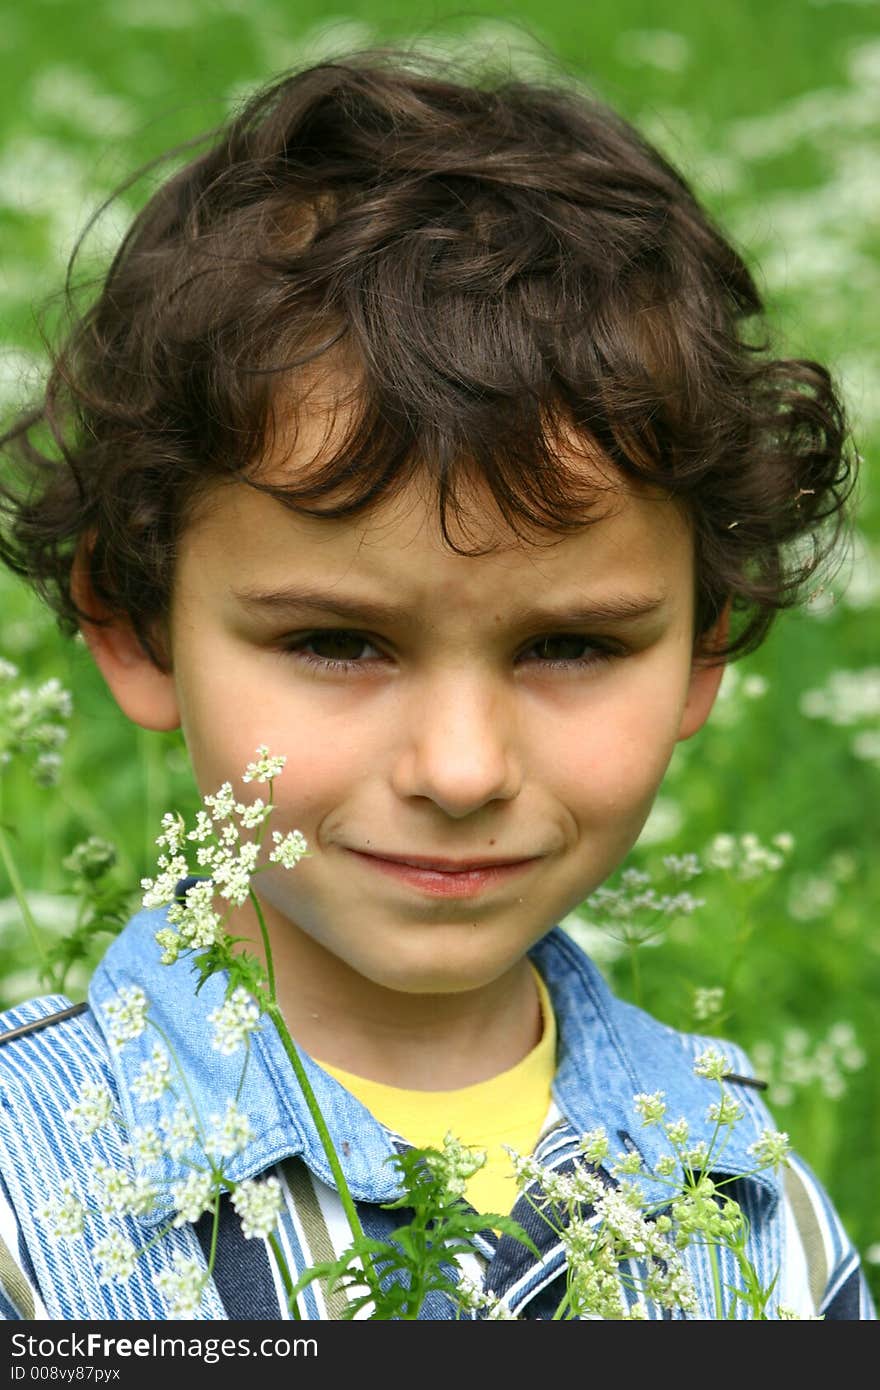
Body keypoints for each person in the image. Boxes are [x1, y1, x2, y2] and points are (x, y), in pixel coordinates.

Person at [0, 47, 874, 1322]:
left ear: (705, 644)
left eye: (570, 647)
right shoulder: (28, 1200)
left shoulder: (753, 1202)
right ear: (133, 626)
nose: (461, 769)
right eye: (336, 643)